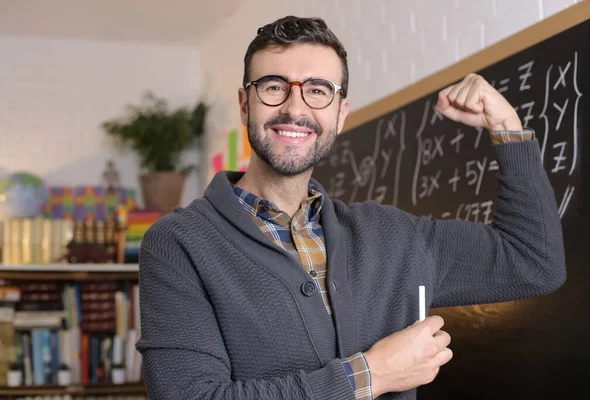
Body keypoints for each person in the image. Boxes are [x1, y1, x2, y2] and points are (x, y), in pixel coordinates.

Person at [136, 16, 566, 400]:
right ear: (246, 104)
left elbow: (534, 261)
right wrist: (370, 375)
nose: (295, 107)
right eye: (273, 87)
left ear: (340, 115)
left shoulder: (394, 236)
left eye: (318, 91)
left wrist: (507, 126)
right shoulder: (180, 243)